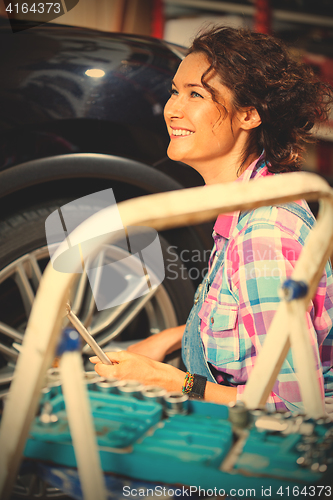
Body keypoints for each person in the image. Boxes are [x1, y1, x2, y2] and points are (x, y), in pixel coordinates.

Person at [90, 26, 333, 413]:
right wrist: (172, 338)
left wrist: (169, 379)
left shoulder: (264, 234)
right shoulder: (246, 201)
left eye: (196, 94)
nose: (173, 109)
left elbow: (296, 408)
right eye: (175, 91)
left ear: (249, 115)